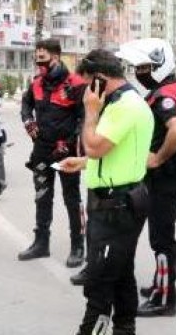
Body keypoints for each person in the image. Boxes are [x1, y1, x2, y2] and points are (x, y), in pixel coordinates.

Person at [58, 49, 154, 335]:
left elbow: (96, 146)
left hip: (116, 207)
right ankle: (125, 328)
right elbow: (117, 153)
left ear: (99, 80)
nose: (86, 91)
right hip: (119, 200)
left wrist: (90, 112)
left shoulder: (124, 106)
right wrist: (86, 164)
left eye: (88, 83)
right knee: (121, 273)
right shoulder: (127, 102)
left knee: (99, 284)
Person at [116, 38, 176, 317]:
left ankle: (165, 298)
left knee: (161, 237)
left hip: (165, 175)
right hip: (174, 171)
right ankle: (160, 284)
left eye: (144, 67)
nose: (139, 72)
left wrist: (159, 157)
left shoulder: (164, 96)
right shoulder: (174, 89)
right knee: (161, 234)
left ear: (160, 65)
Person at [18, 39, 87, 268]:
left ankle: (78, 245)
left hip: (65, 150)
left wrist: (71, 140)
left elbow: (85, 117)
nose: (39, 64)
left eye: (43, 59)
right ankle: (41, 243)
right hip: (41, 150)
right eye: (36, 59)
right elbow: (25, 105)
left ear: (55, 58)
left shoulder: (76, 84)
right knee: (42, 195)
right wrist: (28, 121)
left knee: (71, 199)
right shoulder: (36, 82)